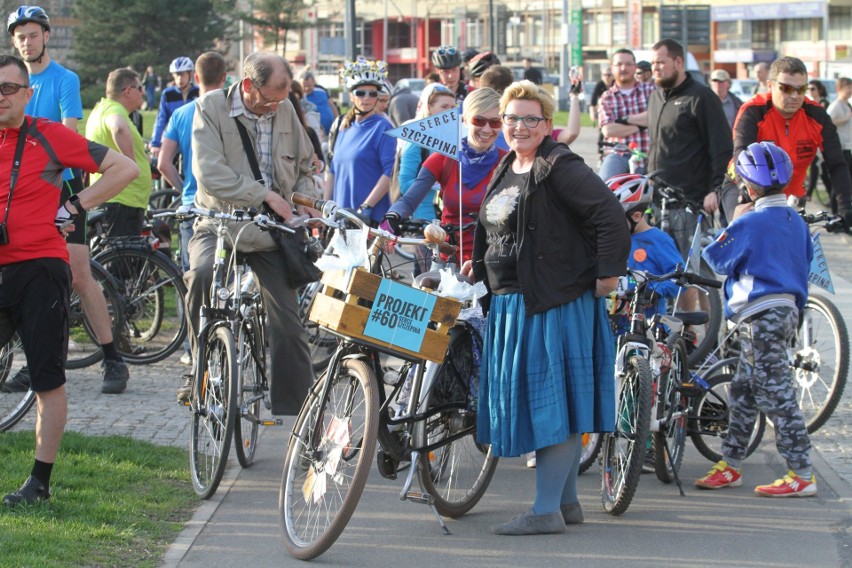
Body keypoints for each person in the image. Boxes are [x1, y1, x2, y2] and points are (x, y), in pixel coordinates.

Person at [463, 80, 630, 535]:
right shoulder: (507, 164)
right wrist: (477, 265)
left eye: (529, 118)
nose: (518, 126)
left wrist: (608, 275)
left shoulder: (559, 165)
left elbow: (610, 216)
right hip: (515, 302)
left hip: (553, 302)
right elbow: (498, 228)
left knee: (551, 404)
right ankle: (567, 502)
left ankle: (544, 511)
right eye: (511, 118)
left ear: (547, 123)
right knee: (556, 401)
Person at [0, 54, 139, 506]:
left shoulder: (47, 134)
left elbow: (125, 168)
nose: (1, 97)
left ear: (26, 93)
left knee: (47, 380)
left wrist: (74, 205)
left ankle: (39, 483)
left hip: (40, 270)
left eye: (8, 88)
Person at [184, 52, 318, 410]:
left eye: (283, 98)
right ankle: (199, 371)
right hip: (219, 223)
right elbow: (209, 174)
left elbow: (307, 166)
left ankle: (298, 415)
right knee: (200, 275)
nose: (277, 107)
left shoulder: (285, 108)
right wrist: (267, 196)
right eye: (271, 99)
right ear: (247, 86)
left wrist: (307, 199)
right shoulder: (209, 108)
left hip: (271, 232)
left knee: (290, 328)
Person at [6, 4, 129, 394]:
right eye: (20, 37)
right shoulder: (7, 78)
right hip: (14, 191)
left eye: (33, 35)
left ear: (46, 36)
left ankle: (112, 357)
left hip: (57, 184)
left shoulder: (63, 79)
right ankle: (32, 360)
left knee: (78, 274)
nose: (27, 42)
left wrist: (69, 203)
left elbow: (68, 132)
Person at [696, 142, 817, 498]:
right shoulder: (796, 220)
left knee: (777, 392)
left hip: (758, 313)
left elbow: (717, 259)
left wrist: (733, 221)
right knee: (744, 391)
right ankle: (731, 462)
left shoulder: (750, 220)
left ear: (747, 187)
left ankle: (802, 471)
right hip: (786, 310)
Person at [383, 87, 507, 262]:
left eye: (495, 122)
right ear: (464, 120)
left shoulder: (508, 162)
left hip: (493, 259)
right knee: (423, 284)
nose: (487, 129)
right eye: (478, 120)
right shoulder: (443, 158)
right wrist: (390, 220)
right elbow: (410, 199)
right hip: (449, 257)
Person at [732, 56, 852, 227]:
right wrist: (746, 199)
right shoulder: (753, 111)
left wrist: (845, 207)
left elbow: (837, 164)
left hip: (792, 198)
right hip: (748, 190)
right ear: (770, 86)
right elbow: (741, 157)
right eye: (786, 88)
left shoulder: (817, 115)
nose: (795, 96)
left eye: (801, 88)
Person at [648, 38, 732, 259]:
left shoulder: (701, 97)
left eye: (660, 62)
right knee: (663, 269)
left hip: (690, 203)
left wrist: (716, 189)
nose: (655, 68)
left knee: (693, 272)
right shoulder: (655, 97)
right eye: (652, 63)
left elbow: (721, 147)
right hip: (658, 201)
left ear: (678, 62)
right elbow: (657, 144)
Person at [158, 52, 227, 275]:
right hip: (227, 205)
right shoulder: (235, 114)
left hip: (193, 203)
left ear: (196, 78)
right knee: (227, 276)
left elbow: (163, 163)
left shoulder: (180, 114)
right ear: (224, 78)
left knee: (191, 274)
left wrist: (184, 187)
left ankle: (188, 311)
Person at [326, 58, 395, 225]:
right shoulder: (344, 127)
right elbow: (333, 170)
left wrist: (366, 206)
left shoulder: (383, 127)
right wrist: (326, 206)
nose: (367, 98)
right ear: (351, 95)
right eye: (360, 93)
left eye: (373, 94)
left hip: (368, 219)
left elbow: (390, 172)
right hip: (340, 218)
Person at [85, 68, 153, 239]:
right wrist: (130, 164)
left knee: (119, 261)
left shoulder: (100, 109)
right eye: (140, 88)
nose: (143, 92)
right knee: (122, 262)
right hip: (122, 201)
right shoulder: (113, 110)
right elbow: (117, 126)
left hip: (118, 199)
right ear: (128, 91)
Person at [394, 83, 456, 221]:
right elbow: (404, 184)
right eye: (444, 107)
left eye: (452, 108)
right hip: (423, 219)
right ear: (429, 108)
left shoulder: (453, 138)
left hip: (450, 219)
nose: (450, 112)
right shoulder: (417, 139)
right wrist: (436, 185)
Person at [597, 49, 655, 180]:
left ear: (635, 67)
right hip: (618, 154)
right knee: (604, 190)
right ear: (612, 68)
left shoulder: (651, 91)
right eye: (619, 64)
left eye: (629, 64)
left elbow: (657, 116)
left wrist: (625, 120)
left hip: (649, 155)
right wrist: (642, 126)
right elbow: (608, 130)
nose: (624, 68)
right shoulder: (607, 98)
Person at [149, 56, 199, 160]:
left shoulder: (198, 92)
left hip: (194, 139)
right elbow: (161, 119)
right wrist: (155, 143)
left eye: (183, 74)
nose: (180, 78)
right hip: (173, 138)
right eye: (177, 75)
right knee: (163, 164)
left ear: (190, 74)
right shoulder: (168, 94)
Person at [825, 77, 852, 215]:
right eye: (848, 87)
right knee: (840, 181)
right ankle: (837, 213)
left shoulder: (847, 104)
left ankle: (842, 212)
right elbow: (828, 122)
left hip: (848, 146)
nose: (850, 90)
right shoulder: (836, 105)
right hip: (839, 147)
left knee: (847, 182)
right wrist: (844, 119)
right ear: (839, 88)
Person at [805, 79, 833, 203]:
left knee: (816, 164)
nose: (810, 91)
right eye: (808, 89)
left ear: (819, 90)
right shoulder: (808, 104)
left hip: (821, 141)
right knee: (822, 172)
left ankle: (809, 193)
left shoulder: (823, 103)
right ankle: (832, 197)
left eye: (813, 89)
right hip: (811, 140)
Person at [298, 67, 338, 136]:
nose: (307, 89)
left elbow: (332, 105)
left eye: (309, 86)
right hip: (314, 133)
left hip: (331, 131)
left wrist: (338, 121)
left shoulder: (321, 90)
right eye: (304, 86)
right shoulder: (299, 96)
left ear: (313, 82)